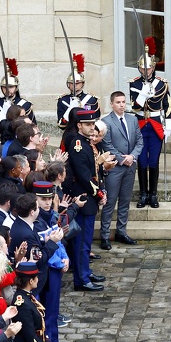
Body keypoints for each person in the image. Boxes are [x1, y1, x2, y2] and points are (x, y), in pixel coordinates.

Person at [62, 109, 106, 292]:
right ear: (79, 125)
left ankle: (85, 272)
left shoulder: (87, 144)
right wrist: (99, 193)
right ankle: (81, 279)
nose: (91, 127)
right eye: (87, 124)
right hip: (84, 197)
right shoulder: (78, 144)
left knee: (86, 241)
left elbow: (94, 172)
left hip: (90, 198)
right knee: (81, 242)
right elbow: (84, 176)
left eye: (92, 124)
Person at [129, 38, 171, 208]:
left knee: (153, 160)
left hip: (154, 123)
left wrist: (168, 125)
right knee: (141, 162)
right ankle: (143, 194)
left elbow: (167, 105)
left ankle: (153, 194)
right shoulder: (134, 83)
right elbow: (134, 105)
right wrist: (142, 94)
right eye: (142, 68)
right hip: (140, 123)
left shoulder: (161, 84)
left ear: (153, 67)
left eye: (148, 68)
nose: (145, 71)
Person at [99, 91, 141, 249]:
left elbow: (140, 140)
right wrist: (123, 159)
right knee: (110, 202)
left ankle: (121, 232)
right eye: (118, 102)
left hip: (130, 166)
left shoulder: (132, 119)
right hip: (115, 167)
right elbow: (107, 144)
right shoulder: (106, 121)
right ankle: (104, 235)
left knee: (125, 201)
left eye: (123, 102)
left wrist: (132, 156)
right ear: (112, 104)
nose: (122, 105)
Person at [56, 53, 99, 130]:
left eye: (77, 83)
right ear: (68, 84)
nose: (75, 85)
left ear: (83, 83)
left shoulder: (91, 99)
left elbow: (96, 122)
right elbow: (61, 125)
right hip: (70, 134)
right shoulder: (63, 100)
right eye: (72, 83)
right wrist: (70, 110)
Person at [0, 58, 35, 123]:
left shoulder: (25, 105)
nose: (7, 89)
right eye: (4, 87)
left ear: (16, 87)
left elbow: (31, 127)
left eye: (11, 87)